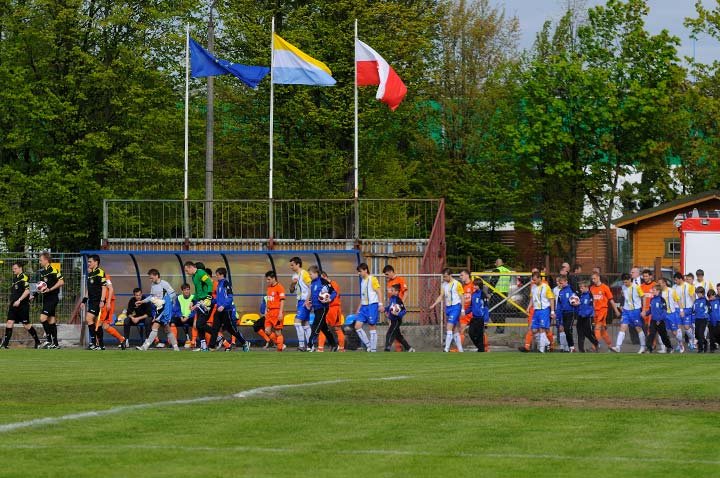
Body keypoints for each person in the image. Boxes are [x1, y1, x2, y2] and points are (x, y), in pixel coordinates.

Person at [136, 269, 180, 352]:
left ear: (156, 276)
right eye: (150, 278)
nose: (150, 280)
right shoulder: (153, 285)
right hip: (159, 309)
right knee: (167, 329)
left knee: (155, 326)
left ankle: (145, 347)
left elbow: (173, 294)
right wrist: (142, 301)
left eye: (151, 278)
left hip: (165, 309)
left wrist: (169, 305)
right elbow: (151, 297)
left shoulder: (165, 284)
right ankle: (176, 347)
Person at [207, 268, 249, 352]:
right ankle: (211, 346)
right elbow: (218, 298)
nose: (216, 276)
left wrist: (223, 306)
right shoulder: (219, 284)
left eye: (217, 275)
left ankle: (244, 342)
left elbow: (230, 297)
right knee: (215, 328)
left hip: (226, 311)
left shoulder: (226, 284)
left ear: (222, 275)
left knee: (231, 329)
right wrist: (211, 302)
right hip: (219, 311)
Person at [1, 262, 41, 349]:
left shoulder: (24, 277)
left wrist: (19, 300)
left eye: (15, 268)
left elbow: (27, 291)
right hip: (13, 305)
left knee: (26, 324)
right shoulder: (15, 279)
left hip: (22, 305)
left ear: (20, 268)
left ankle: (38, 342)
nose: (13, 270)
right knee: (9, 322)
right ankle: (5, 345)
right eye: (13, 268)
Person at [611, 273, 647, 353]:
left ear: (630, 280)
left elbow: (643, 297)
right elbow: (623, 297)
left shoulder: (637, 287)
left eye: (626, 282)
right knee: (622, 327)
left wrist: (643, 310)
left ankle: (643, 347)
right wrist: (622, 306)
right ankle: (618, 347)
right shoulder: (623, 287)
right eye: (623, 282)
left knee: (638, 328)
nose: (625, 284)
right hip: (626, 311)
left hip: (635, 311)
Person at [431, 268, 465, 353]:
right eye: (444, 277)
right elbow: (441, 296)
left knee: (449, 326)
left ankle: (446, 349)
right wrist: (434, 304)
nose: (444, 278)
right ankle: (460, 350)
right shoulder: (443, 285)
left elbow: (462, 297)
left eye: (446, 276)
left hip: (456, 307)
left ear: (450, 275)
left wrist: (463, 309)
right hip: (448, 308)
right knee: (455, 328)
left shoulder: (457, 284)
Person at [36, 252, 64, 349]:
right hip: (46, 298)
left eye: (41, 260)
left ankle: (48, 340)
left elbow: (61, 282)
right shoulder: (42, 272)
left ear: (46, 260)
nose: (40, 262)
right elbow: (40, 287)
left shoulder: (54, 270)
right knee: (51, 320)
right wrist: (34, 295)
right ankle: (55, 343)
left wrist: (50, 289)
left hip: (53, 298)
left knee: (42, 318)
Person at [306, 266, 338, 352]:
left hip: (323, 308)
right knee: (324, 328)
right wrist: (310, 302)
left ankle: (310, 345)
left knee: (315, 325)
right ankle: (334, 344)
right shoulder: (312, 283)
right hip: (316, 308)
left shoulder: (323, 282)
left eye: (311, 274)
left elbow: (334, 292)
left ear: (316, 273)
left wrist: (330, 298)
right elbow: (314, 295)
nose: (310, 276)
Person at [184, 261, 214, 351]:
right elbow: (197, 291)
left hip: (205, 301)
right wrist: (192, 301)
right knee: (199, 325)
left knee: (199, 324)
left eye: (186, 270)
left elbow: (210, 283)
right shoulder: (194, 277)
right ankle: (203, 346)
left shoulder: (201, 273)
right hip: (200, 301)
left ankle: (217, 336)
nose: (186, 272)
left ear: (190, 267)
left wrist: (208, 297)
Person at [355, 263, 383, 352]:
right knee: (357, 326)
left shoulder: (372, 279)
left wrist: (380, 304)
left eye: (360, 271)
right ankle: (368, 345)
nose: (359, 273)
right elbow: (363, 295)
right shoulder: (362, 281)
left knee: (372, 326)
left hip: (372, 306)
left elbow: (379, 291)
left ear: (365, 270)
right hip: (364, 307)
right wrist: (359, 307)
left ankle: (373, 349)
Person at [83, 254, 108, 350]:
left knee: (89, 319)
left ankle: (93, 343)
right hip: (91, 301)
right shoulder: (90, 273)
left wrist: (102, 300)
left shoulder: (100, 272)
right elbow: (88, 289)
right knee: (97, 324)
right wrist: (84, 300)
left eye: (90, 262)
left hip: (98, 301)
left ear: (96, 262)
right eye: (88, 261)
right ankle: (100, 345)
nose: (88, 263)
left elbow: (104, 288)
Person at [590, 272, 619, 351]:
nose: (593, 280)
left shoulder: (605, 287)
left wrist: (616, 310)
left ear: (598, 278)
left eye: (594, 278)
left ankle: (595, 345)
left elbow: (611, 300)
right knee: (602, 331)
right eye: (592, 279)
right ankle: (610, 345)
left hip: (602, 311)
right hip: (594, 311)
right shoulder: (591, 288)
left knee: (597, 328)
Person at [96, 273, 126, 349]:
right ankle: (121, 339)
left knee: (100, 324)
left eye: (90, 263)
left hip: (107, 303)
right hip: (101, 303)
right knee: (103, 325)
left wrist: (108, 302)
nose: (89, 266)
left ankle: (98, 344)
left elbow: (111, 288)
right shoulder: (93, 276)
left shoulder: (105, 275)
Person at [528, 271, 555, 353]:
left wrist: (552, 311)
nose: (534, 281)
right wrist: (529, 307)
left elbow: (551, 299)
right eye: (533, 280)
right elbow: (532, 298)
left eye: (535, 280)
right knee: (534, 330)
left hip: (544, 310)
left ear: (540, 278)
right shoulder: (533, 287)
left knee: (542, 329)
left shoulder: (546, 287)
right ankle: (546, 342)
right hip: (536, 310)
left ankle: (541, 349)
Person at [289, 257, 312, 351]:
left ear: (298, 264)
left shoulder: (304, 273)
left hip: (304, 301)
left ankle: (302, 345)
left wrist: (307, 300)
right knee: (305, 323)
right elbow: (291, 291)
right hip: (300, 301)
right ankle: (311, 345)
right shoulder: (294, 275)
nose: (291, 267)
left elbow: (311, 286)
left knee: (297, 322)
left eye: (292, 265)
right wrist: (292, 284)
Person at [384, 264, 409, 351]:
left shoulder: (400, 280)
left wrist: (399, 305)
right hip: (392, 308)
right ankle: (407, 348)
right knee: (395, 330)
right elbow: (390, 297)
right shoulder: (389, 282)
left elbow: (405, 293)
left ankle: (390, 347)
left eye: (387, 274)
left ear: (391, 272)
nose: (386, 276)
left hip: (397, 309)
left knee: (392, 328)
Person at [643, 284, 673, 353]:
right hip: (653, 321)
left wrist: (660, 319)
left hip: (660, 321)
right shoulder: (652, 299)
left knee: (663, 336)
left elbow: (665, 311)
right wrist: (645, 313)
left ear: (658, 291)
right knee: (651, 334)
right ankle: (649, 349)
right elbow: (650, 310)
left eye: (653, 290)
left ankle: (669, 347)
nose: (652, 291)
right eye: (652, 290)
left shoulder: (662, 300)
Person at [384, 283, 414, 352]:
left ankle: (387, 348)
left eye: (392, 290)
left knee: (390, 333)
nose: (391, 291)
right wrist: (385, 309)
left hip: (397, 320)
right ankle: (409, 348)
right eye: (391, 290)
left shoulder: (398, 300)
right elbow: (390, 307)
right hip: (393, 320)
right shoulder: (392, 298)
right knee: (398, 336)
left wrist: (397, 314)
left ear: (397, 292)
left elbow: (404, 311)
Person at [319, 271, 344, 352]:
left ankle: (341, 348)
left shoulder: (333, 284)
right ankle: (321, 348)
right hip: (327, 308)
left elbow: (333, 295)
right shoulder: (325, 286)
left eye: (321, 279)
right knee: (325, 327)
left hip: (334, 308)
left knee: (336, 328)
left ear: (325, 277)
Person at [263, 270, 286, 352]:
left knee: (278, 332)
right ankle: (281, 344)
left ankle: (279, 349)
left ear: (273, 278)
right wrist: (266, 309)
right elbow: (268, 300)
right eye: (267, 279)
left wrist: (280, 313)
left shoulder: (280, 287)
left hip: (276, 311)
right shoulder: (269, 288)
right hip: (269, 312)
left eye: (269, 279)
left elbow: (282, 301)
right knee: (267, 331)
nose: (267, 281)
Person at [660, 278, 684, 353]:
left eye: (660, 283)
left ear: (664, 283)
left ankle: (680, 344)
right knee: (662, 331)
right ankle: (665, 348)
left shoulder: (672, 291)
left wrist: (681, 310)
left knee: (674, 332)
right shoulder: (659, 292)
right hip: (663, 315)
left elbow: (678, 300)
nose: (659, 285)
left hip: (671, 315)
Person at [673, 272, 696, 351]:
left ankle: (691, 341)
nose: (675, 281)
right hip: (676, 309)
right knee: (678, 328)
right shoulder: (674, 287)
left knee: (686, 328)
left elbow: (693, 297)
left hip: (687, 309)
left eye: (676, 280)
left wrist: (694, 308)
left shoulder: (689, 286)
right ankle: (680, 344)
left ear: (680, 279)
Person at [465, 278, 489, 352]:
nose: (474, 287)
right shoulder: (474, 294)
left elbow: (486, 308)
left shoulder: (483, 294)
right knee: (471, 333)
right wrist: (465, 312)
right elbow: (471, 306)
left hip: (480, 318)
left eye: (476, 285)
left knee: (479, 335)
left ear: (479, 285)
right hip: (474, 318)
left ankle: (481, 349)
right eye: (474, 285)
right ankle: (480, 347)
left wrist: (486, 319)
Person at [576, 281, 599, 352]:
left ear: (586, 287)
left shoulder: (590, 295)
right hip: (580, 317)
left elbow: (591, 307)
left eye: (582, 287)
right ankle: (581, 350)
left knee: (588, 333)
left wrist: (586, 314)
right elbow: (579, 306)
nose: (580, 289)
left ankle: (596, 343)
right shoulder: (581, 295)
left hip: (587, 317)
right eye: (580, 288)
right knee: (580, 333)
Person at [555, 275, 576, 352]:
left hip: (571, 312)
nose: (560, 285)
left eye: (561, 283)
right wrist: (558, 314)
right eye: (559, 283)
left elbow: (577, 299)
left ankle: (571, 347)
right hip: (563, 313)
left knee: (567, 329)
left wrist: (576, 303)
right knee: (564, 330)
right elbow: (559, 305)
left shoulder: (571, 289)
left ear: (566, 281)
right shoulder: (561, 292)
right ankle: (568, 347)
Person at [491, 258, 511, 333]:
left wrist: (489, 292)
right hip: (505, 293)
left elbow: (493, 282)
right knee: (501, 310)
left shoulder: (496, 270)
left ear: (496, 263)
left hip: (496, 293)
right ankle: (501, 327)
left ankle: (499, 326)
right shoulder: (508, 271)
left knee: (491, 309)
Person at [172, 284, 194, 348]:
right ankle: (174, 342)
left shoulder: (193, 297)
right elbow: (177, 308)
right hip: (181, 317)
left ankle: (192, 341)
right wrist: (181, 316)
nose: (186, 291)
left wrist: (187, 317)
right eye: (185, 290)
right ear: (182, 291)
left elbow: (195, 310)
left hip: (190, 317)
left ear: (190, 290)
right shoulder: (179, 298)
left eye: (188, 289)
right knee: (172, 322)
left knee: (196, 323)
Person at [458, 269, 475, 348]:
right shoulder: (462, 286)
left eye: (462, 275)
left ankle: (484, 347)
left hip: (473, 311)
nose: (460, 277)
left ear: (467, 275)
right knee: (461, 330)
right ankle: (459, 348)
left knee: (479, 331)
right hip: (464, 311)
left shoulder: (473, 285)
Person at [693, 286, 709, 353]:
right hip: (697, 319)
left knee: (700, 333)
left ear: (702, 293)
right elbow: (693, 310)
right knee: (697, 334)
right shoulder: (696, 301)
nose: (697, 295)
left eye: (699, 293)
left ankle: (700, 349)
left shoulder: (705, 301)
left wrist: (704, 315)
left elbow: (708, 310)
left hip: (703, 319)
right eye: (697, 293)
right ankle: (705, 342)